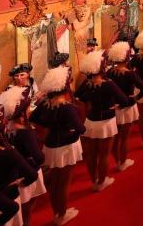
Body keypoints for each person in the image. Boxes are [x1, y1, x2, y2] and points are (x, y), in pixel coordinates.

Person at [29, 66, 84, 224]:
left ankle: (57, 213)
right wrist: (70, 134)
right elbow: (81, 128)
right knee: (64, 184)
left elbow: (33, 118)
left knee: (54, 183)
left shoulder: (45, 104)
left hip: (51, 146)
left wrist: (48, 126)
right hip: (66, 148)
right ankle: (62, 214)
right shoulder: (67, 107)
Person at [75, 49, 129, 191]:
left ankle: (94, 181)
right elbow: (123, 99)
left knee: (92, 154)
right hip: (106, 121)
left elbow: (78, 96)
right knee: (104, 155)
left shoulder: (87, 83)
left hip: (91, 121)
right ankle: (102, 181)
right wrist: (114, 106)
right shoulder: (108, 83)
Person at [0, 86, 46, 226]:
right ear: (22, 113)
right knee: (27, 209)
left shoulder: (5, 129)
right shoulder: (25, 132)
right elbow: (39, 158)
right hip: (28, 172)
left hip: (14, 174)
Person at [106, 41, 143, 172]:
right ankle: (122, 163)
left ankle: (118, 160)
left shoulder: (110, 72)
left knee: (116, 137)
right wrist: (135, 98)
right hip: (128, 107)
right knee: (124, 138)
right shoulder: (130, 73)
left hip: (115, 107)